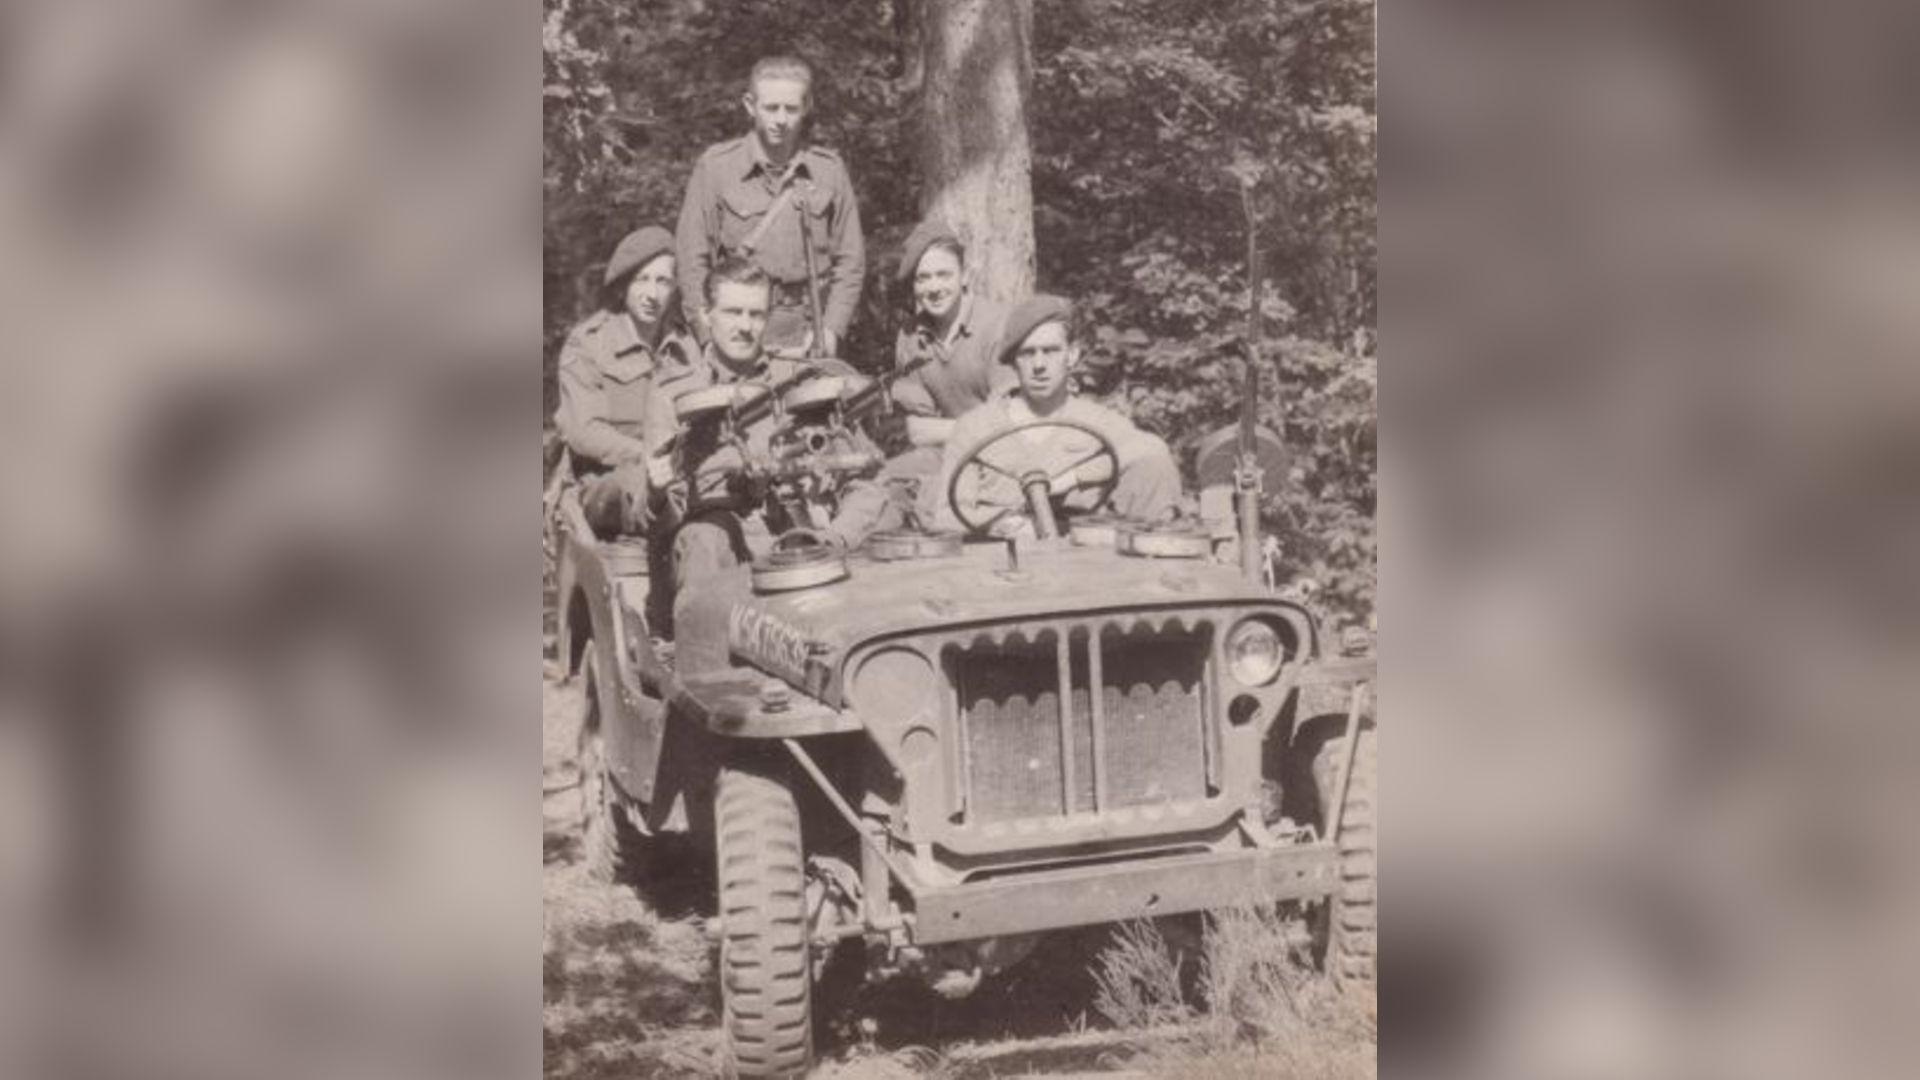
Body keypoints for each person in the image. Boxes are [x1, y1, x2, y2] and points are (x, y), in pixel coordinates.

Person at [644, 257, 893, 671]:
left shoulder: (798, 379)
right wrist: (658, 489)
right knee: (705, 539)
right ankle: (710, 686)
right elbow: (658, 516)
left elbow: (868, 478)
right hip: (716, 555)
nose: (745, 326)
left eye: (756, 314)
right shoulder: (675, 393)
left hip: (805, 542)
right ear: (707, 315)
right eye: (733, 312)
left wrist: (836, 538)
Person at [932, 294, 1182, 534]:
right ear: (1013, 362)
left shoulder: (1098, 421)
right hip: (1001, 565)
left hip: (1087, 566)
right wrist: (1001, 525)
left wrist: (1066, 481)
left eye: (1050, 351)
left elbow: (1151, 451)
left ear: (1071, 355)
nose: (1039, 365)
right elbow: (946, 517)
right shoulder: (976, 427)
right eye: (1027, 353)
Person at [674, 55, 864, 357]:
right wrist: (708, 337)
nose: (781, 119)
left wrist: (830, 329)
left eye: (791, 109)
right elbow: (692, 261)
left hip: (809, 333)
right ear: (750, 106)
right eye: (771, 107)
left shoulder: (828, 170)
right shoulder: (717, 168)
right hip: (736, 332)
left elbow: (850, 262)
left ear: (807, 107)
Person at [553, 225, 696, 536]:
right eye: (641, 280)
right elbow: (584, 432)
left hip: (679, 474)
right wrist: (645, 456)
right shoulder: (589, 343)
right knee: (631, 486)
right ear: (623, 287)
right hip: (606, 483)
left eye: (663, 281)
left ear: (675, 288)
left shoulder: (687, 345)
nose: (652, 294)